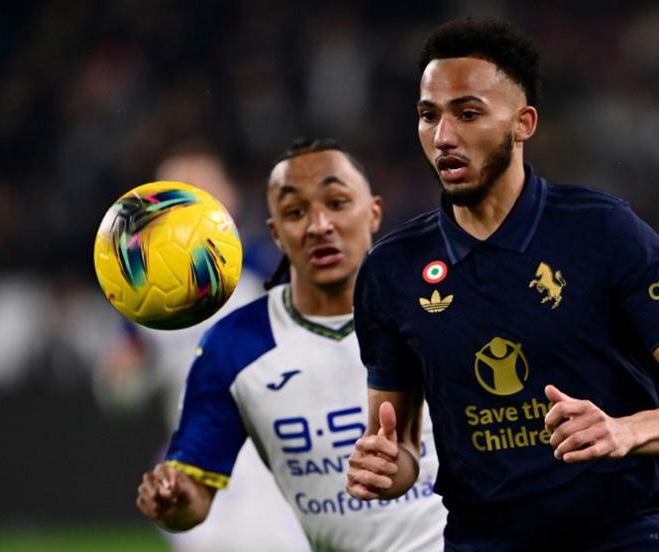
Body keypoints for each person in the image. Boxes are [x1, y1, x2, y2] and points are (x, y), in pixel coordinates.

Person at [346, 19, 659, 551]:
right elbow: (399, 446)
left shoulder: (605, 232)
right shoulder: (392, 269)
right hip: (485, 539)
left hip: (626, 530)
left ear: (523, 123)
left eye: (468, 114)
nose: (443, 137)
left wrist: (624, 431)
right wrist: (386, 467)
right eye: (428, 116)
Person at [136, 138, 447, 552]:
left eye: (337, 203)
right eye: (296, 211)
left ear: (373, 211)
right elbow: (193, 496)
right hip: (249, 488)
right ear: (276, 230)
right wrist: (175, 501)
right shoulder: (231, 345)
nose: (319, 224)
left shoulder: (438, 308)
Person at [99, 144, 308, 552]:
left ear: (227, 196)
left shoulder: (271, 268)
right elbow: (120, 390)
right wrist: (122, 375)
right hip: (192, 454)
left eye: (199, 187)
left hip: (269, 454)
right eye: (174, 189)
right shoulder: (139, 293)